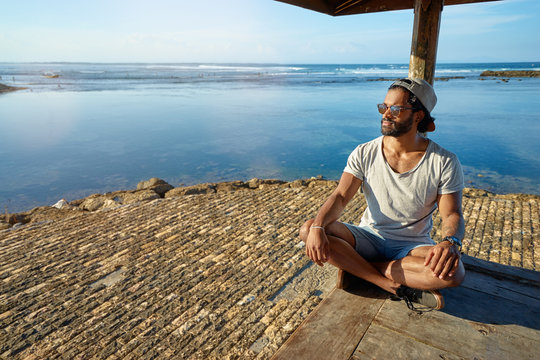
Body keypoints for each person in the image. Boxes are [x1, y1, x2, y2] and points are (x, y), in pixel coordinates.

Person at [299, 78, 465, 312]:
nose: (386, 114)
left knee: (454, 273)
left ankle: (360, 269)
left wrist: (451, 241)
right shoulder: (364, 152)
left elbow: (452, 213)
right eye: (383, 107)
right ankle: (387, 283)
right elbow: (340, 197)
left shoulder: (444, 161)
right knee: (308, 230)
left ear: (418, 116)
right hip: (368, 237)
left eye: (395, 109)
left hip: (412, 245)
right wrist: (317, 227)